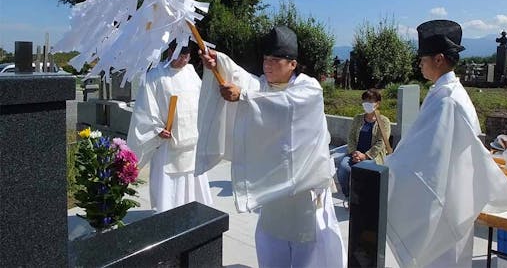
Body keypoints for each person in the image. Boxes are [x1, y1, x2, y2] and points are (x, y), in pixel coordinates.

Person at [196, 26, 346, 268]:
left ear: (292, 64)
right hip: (274, 187)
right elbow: (242, 80)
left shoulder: (309, 89)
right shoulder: (263, 87)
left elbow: (285, 106)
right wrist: (217, 63)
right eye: (266, 59)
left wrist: (243, 97)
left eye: (275, 60)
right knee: (273, 239)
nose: (268, 65)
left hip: (303, 188)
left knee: (306, 246)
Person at [384, 20, 507, 267]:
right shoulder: (449, 92)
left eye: (423, 59)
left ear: (439, 59)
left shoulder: (447, 100)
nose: (420, 64)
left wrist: (388, 169)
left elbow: (425, 156)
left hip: (446, 202)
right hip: (456, 197)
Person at [127, 43, 213, 213]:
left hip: (192, 141)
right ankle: (167, 213)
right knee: (169, 185)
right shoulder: (155, 76)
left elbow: (202, 99)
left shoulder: (190, 72)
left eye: (187, 56)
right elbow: (145, 108)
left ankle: (195, 211)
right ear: (171, 51)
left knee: (192, 177)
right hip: (167, 142)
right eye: (181, 55)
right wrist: (157, 128)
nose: (184, 60)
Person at [336, 89, 390, 204]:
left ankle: (363, 201)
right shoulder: (358, 118)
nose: (367, 104)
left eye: (371, 101)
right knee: (343, 168)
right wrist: (354, 152)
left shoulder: (384, 121)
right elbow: (350, 137)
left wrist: (365, 156)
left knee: (364, 171)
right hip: (354, 154)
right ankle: (349, 197)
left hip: (372, 157)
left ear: (378, 103)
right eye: (365, 101)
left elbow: (381, 142)